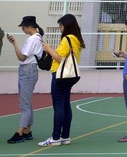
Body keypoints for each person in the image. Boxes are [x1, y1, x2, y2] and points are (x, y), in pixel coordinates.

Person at [37, 14, 84, 147]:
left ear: (66, 26)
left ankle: (56, 136)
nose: (59, 29)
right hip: (69, 76)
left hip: (60, 75)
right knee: (65, 105)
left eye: (61, 26)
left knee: (58, 106)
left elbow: (59, 59)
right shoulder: (77, 39)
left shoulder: (67, 39)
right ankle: (65, 136)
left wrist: (48, 49)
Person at [6, 16, 43, 144]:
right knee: (27, 103)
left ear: (29, 26)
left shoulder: (32, 39)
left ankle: (20, 132)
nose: (22, 28)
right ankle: (27, 131)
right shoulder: (38, 37)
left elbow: (22, 57)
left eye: (23, 26)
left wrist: (14, 44)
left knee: (25, 104)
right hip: (30, 71)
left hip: (27, 71)